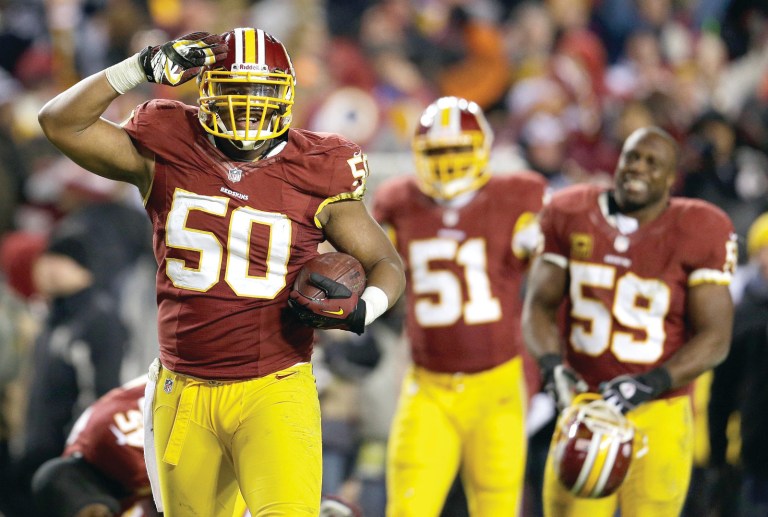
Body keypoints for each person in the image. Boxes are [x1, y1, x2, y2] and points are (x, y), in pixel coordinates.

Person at [37, 28, 406, 516]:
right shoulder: (169, 143)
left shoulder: (319, 167)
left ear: (287, 96)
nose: (249, 106)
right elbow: (61, 123)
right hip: (182, 390)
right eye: (235, 90)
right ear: (206, 92)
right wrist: (137, 68)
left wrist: (363, 310)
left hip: (273, 386)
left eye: (263, 92)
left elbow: (387, 264)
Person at [522, 126, 737, 516]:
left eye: (652, 163)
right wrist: (551, 364)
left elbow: (716, 338)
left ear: (671, 179)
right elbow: (538, 305)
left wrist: (651, 382)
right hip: (587, 404)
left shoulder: (701, 228)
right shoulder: (570, 212)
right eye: (632, 157)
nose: (638, 168)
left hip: (660, 411)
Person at [372, 96, 548, 516]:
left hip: (498, 383)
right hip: (428, 383)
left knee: (498, 504)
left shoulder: (519, 196)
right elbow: (376, 270)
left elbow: (553, 282)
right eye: (438, 151)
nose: (449, 162)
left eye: (457, 150)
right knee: (409, 504)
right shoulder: (398, 200)